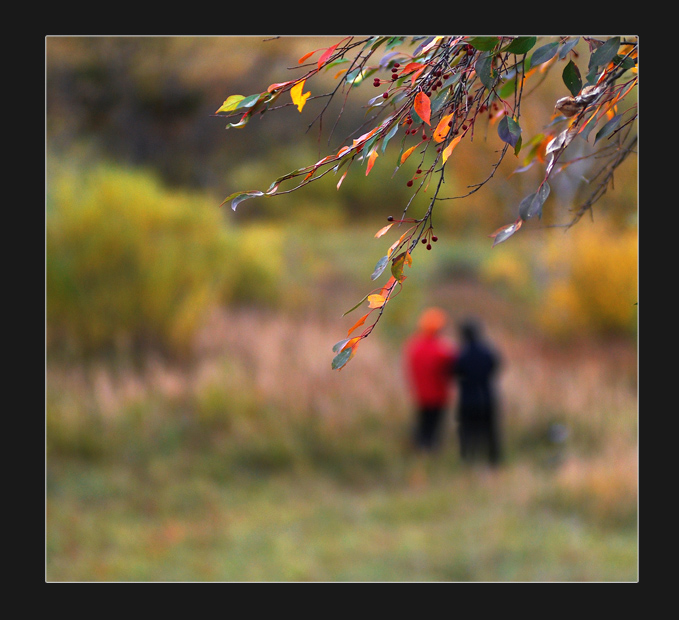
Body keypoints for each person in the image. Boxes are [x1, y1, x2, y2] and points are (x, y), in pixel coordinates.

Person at [404, 307, 457, 452]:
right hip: (438, 396)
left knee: (422, 425)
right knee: (434, 428)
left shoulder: (414, 346)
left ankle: (419, 452)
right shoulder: (442, 349)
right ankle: (430, 453)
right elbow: (453, 367)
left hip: (420, 394)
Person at [455, 318, 502, 466]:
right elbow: (496, 366)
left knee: (467, 431)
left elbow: (454, 372)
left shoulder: (462, 354)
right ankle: (493, 461)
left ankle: (468, 460)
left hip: (467, 399)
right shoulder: (487, 352)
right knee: (490, 431)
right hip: (486, 397)